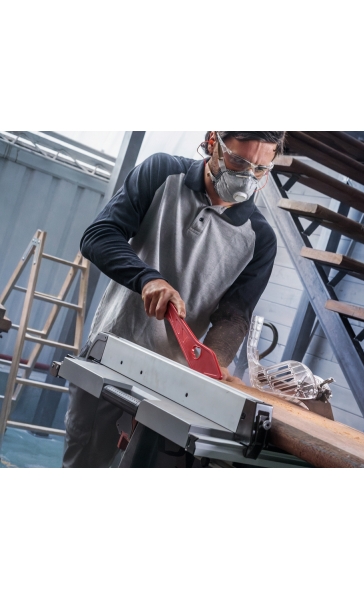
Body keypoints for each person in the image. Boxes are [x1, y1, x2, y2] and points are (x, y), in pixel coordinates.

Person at [62, 131, 285, 468]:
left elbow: (233, 316)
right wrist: (147, 278)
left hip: (176, 389)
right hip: (112, 357)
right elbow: (99, 236)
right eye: (239, 161)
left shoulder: (261, 239)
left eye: (259, 169)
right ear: (214, 141)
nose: (247, 177)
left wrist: (214, 363)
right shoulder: (162, 173)